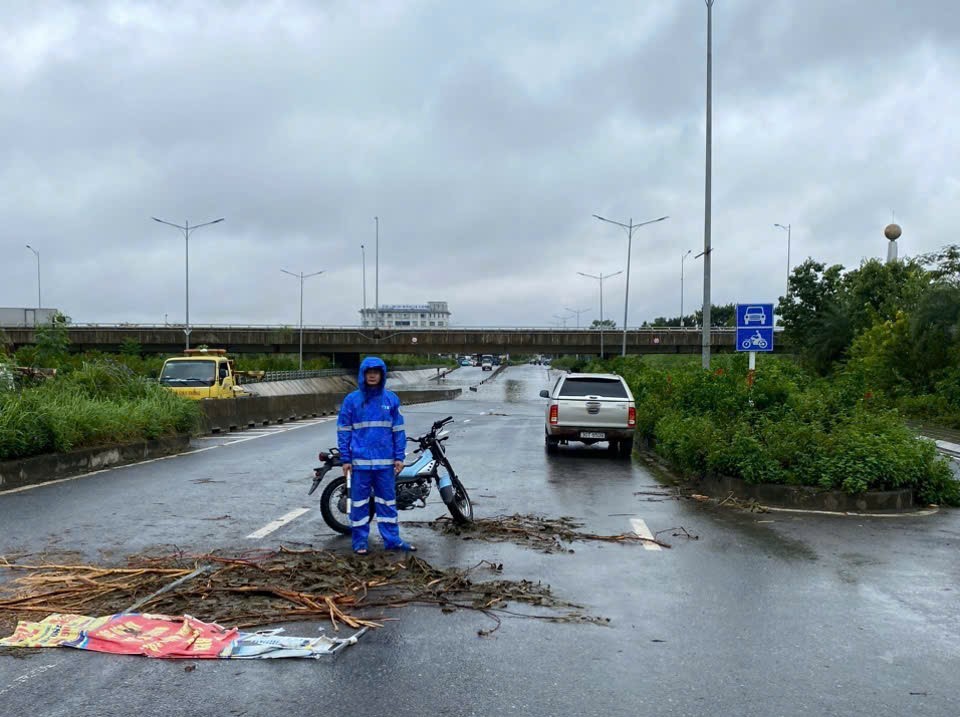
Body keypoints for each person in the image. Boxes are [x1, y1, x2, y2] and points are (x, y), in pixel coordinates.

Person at [336, 356, 415, 555]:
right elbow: (344, 430)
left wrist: (399, 457)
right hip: (360, 463)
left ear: (382, 374)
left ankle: (392, 540)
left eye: (376, 372)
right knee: (360, 504)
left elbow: (398, 431)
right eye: (369, 372)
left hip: (385, 463)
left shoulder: (391, 400)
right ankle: (360, 542)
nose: (372, 375)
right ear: (363, 375)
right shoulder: (352, 400)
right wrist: (346, 459)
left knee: (387, 504)